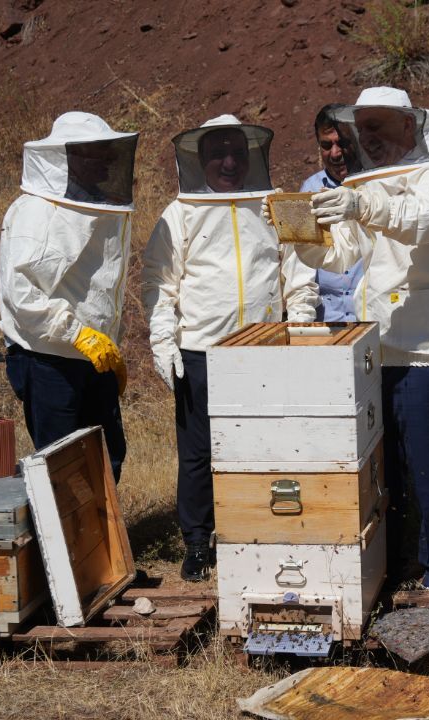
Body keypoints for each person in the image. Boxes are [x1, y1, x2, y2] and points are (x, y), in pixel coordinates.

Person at [296, 87, 429, 590]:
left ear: (409, 128)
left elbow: (422, 222)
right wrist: (303, 237)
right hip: (378, 346)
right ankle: (392, 564)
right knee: (383, 468)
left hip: (426, 348)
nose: (371, 136)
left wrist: (359, 202)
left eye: (380, 126)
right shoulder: (367, 184)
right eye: (364, 127)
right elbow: (341, 256)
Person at [142, 115, 318, 581]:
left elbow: (300, 275)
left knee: (266, 446)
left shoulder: (281, 203)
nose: (229, 162)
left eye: (238, 152)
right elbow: (159, 283)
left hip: (265, 347)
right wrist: (163, 341)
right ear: (200, 159)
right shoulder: (177, 212)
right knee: (199, 453)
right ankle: (199, 542)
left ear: (252, 157)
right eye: (218, 152)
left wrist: (298, 328)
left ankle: (261, 528)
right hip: (201, 350)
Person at [0, 111, 137, 481]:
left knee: (107, 460)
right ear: (70, 158)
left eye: (109, 153)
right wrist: (77, 334)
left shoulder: (101, 208)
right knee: (62, 469)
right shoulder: (37, 212)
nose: (108, 162)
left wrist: (102, 342)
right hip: (48, 361)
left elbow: (100, 287)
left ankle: (101, 540)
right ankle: (63, 540)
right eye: (98, 154)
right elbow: (21, 295)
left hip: (94, 355)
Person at [301, 103, 364, 322]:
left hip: (372, 318)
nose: (335, 153)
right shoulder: (309, 190)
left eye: (342, 143)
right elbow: (302, 264)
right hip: (327, 321)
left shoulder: (375, 185)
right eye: (326, 145)